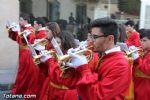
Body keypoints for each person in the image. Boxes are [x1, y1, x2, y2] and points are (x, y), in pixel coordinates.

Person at [41, 17, 131, 100]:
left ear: (110, 38)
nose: (91, 40)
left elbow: (97, 96)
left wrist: (83, 68)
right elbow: (75, 83)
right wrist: (71, 69)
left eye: (95, 37)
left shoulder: (120, 64)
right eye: (91, 36)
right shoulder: (98, 56)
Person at [130, 29, 150, 100]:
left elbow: (147, 70)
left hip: (146, 87)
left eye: (144, 40)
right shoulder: (142, 51)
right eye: (141, 40)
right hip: (137, 84)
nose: (141, 42)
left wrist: (137, 59)